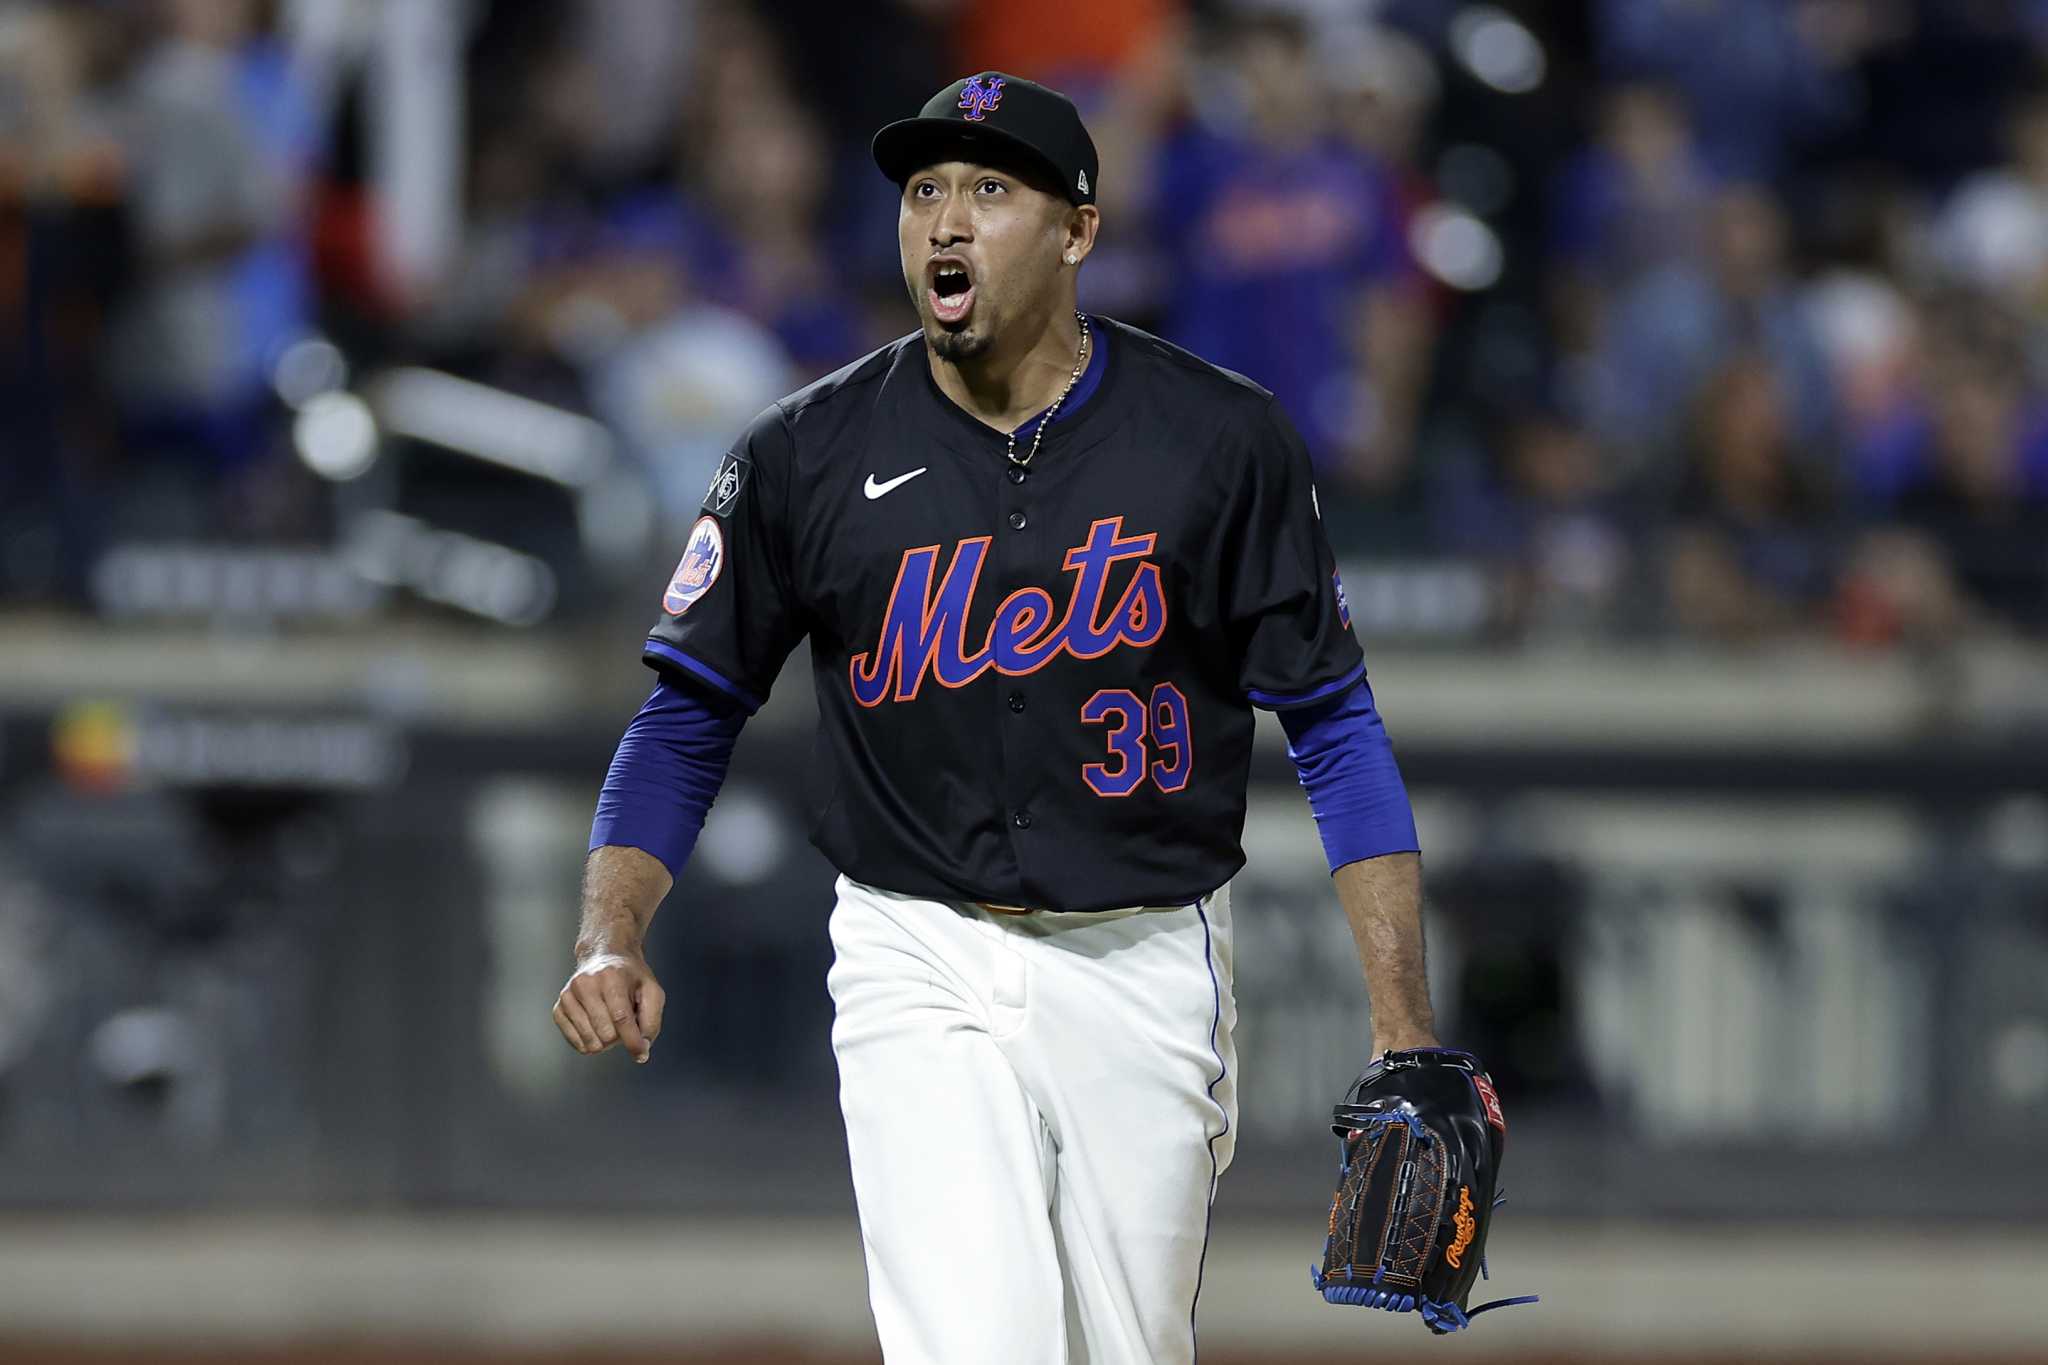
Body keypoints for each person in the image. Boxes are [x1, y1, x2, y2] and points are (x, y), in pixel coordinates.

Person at [552, 73, 1437, 1365]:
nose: (946, 222)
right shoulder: (805, 450)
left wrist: (1402, 1018)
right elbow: (686, 714)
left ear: (1079, 230)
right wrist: (606, 931)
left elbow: (1335, 726)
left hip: (1146, 956)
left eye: (989, 190)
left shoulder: (1219, 439)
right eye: (924, 192)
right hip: (919, 948)